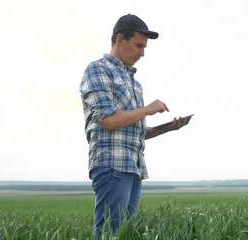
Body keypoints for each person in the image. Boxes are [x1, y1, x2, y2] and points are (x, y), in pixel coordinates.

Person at [79, 13, 192, 237]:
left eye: (145, 48)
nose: (142, 53)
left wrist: (169, 127)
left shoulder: (135, 85)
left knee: (125, 234)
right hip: (112, 165)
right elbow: (110, 121)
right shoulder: (98, 69)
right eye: (139, 46)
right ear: (120, 40)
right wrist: (148, 109)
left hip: (134, 167)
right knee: (110, 233)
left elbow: (134, 130)